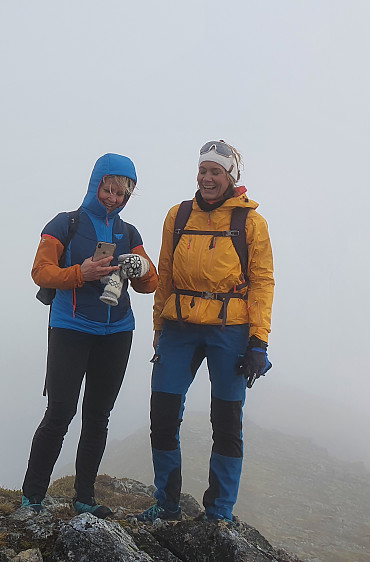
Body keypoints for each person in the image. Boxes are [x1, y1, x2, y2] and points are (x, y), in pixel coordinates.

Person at [137, 140, 274, 523]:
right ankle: (166, 505)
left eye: (216, 171)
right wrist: (158, 326)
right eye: (203, 170)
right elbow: (164, 274)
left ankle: (219, 514)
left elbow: (262, 282)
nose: (207, 178)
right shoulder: (177, 216)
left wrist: (258, 340)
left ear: (231, 177)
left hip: (230, 330)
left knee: (227, 421)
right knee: (163, 415)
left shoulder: (251, 223)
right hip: (178, 326)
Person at [23, 153, 158, 518]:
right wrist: (80, 273)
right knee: (60, 412)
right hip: (71, 327)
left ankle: (84, 497)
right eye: (109, 189)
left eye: (123, 193)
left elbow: (152, 283)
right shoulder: (65, 224)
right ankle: (32, 498)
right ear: (95, 183)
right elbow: (41, 271)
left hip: (118, 331)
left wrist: (140, 267)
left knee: (99, 416)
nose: (114, 198)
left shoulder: (129, 233)